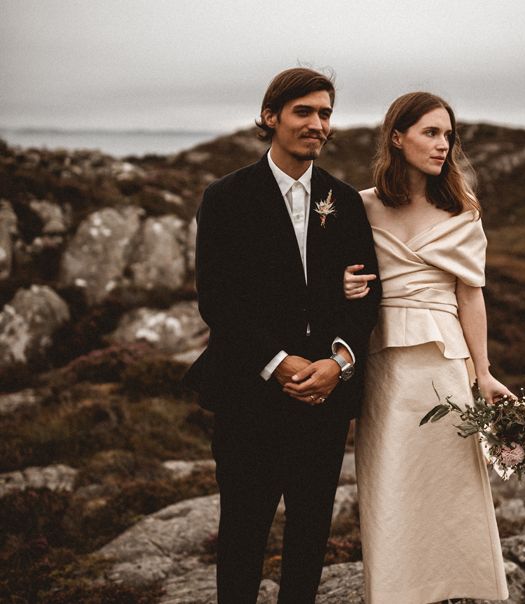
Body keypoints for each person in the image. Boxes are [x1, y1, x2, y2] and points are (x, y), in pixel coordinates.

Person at [182, 67, 381, 603]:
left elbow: (367, 295)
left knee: (311, 533)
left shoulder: (344, 201)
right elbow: (218, 300)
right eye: (304, 112)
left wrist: (337, 362)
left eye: (325, 114)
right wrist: (279, 362)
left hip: (324, 396)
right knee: (243, 532)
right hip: (250, 391)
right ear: (271, 117)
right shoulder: (225, 198)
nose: (318, 124)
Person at [343, 92, 511, 603]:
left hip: (444, 363)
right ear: (398, 136)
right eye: (430, 133)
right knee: (391, 480)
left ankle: (457, 588)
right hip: (385, 362)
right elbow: (344, 277)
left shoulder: (462, 211)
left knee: (450, 483)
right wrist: (347, 286)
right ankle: (395, 591)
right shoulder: (362, 204)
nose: (444, 145)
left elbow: (470, 296)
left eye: (448, 135)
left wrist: (483, 373)